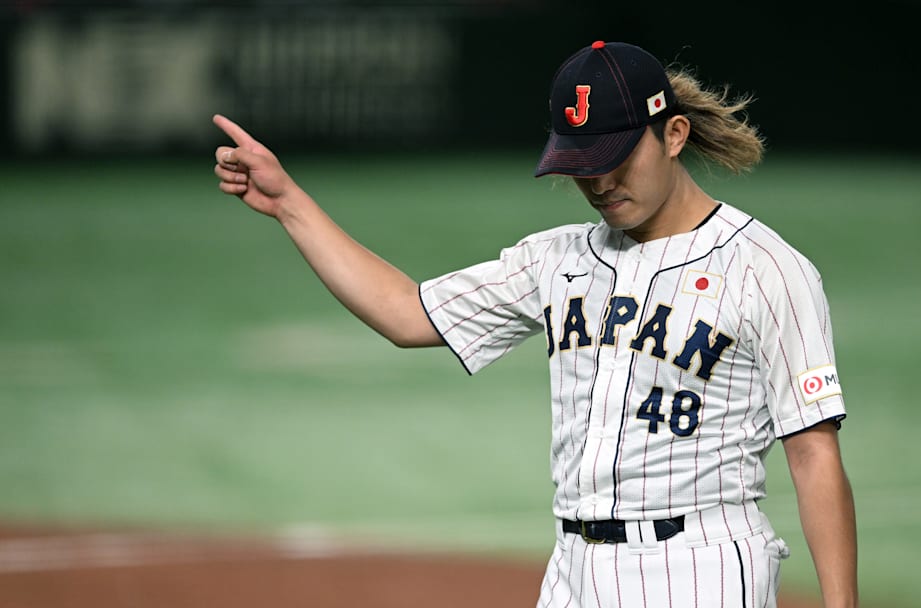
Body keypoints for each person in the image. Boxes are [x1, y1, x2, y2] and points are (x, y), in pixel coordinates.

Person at [213, 40, 858, 608]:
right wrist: (290, 205)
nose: (599, 181)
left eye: (617, 158)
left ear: (674, 135)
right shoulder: (556, 260)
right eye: (582, 164)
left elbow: (812, 454)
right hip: (573, 573)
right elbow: (408, 313)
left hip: (698, 568)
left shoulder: (767, 269)